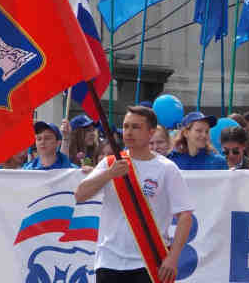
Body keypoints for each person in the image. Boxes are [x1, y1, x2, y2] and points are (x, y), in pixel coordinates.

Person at [75, 106, 193, 283]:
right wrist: (109, 174)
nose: (129, 132)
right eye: (126, 126)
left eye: (136, 127)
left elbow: (185, 215)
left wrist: (173, 257)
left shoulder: (167, 168)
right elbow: (80, 195)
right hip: (109, 261)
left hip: (148, 261)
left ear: (150, 132)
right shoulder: (110, 163)